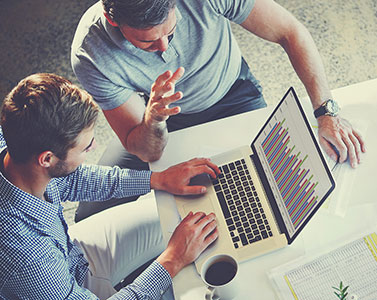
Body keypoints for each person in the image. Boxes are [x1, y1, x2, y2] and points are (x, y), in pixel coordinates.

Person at [71, 0, 366, 221]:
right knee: (91, 215)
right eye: (146, 41)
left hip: (233, 97)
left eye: (171, 32)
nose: (163, 49)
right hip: (159, 118)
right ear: (112, 19)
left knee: (261, 197)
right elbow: (148, 152)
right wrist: (155, 118)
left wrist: (326, 110)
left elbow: (290, 32)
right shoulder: (90, 53)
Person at [0, 73, 220, 299]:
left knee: (183, 213)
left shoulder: (14, 138)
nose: (95, 146)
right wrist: (173, 259)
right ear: (47, 159)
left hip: (70, 255)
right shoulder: (26, 257)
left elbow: (71, 178)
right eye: (85, 147)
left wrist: (157, 179)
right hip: (54, 284)